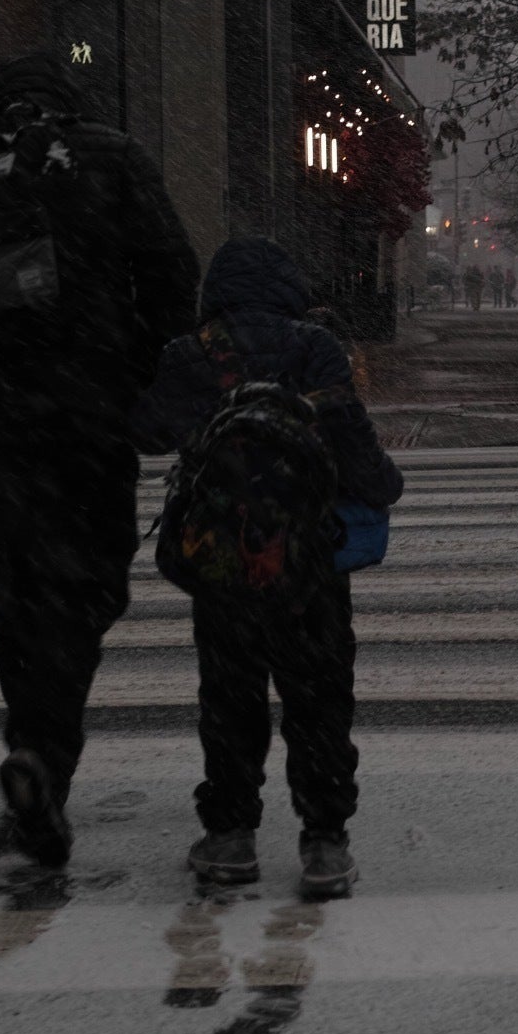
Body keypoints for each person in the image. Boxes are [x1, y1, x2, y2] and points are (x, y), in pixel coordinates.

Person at [0, 53, 201, 869]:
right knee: (87, 586)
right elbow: (171, 275)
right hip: (89, 412)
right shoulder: (111, 157)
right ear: (68, 103)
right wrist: (156, 385)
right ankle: (44, 757)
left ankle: (34, 745)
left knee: (19, 589)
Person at [132, 238, 404, 896]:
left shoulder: (192, 352)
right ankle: (325, 843)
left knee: (230, 697)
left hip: (222, 561)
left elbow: (146, 432)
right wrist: (383, 485)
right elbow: (357, 450)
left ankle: (230, 835)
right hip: (307, 556)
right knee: (319, 697)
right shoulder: (315, 347)